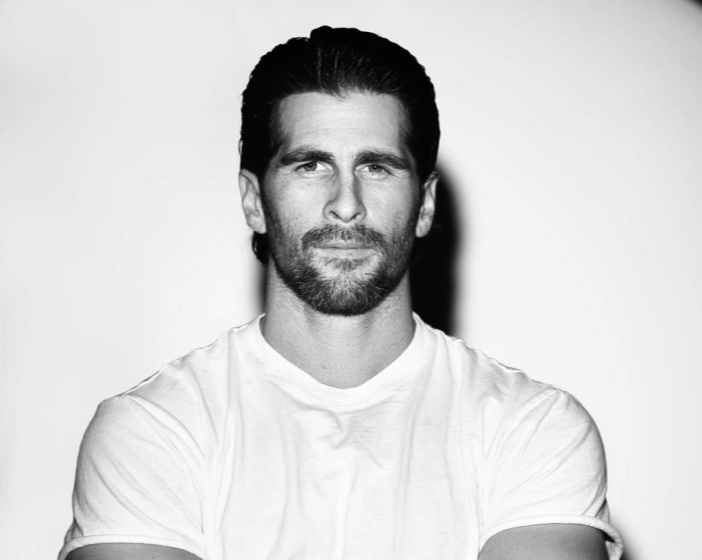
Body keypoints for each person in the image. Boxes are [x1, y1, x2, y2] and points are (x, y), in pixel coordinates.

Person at [59, 26, 623, 560]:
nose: (346, 204)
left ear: (425, 204)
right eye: (310, 165)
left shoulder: (532, 426)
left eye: (377, 167)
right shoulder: (154, 428)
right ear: (254, 202)